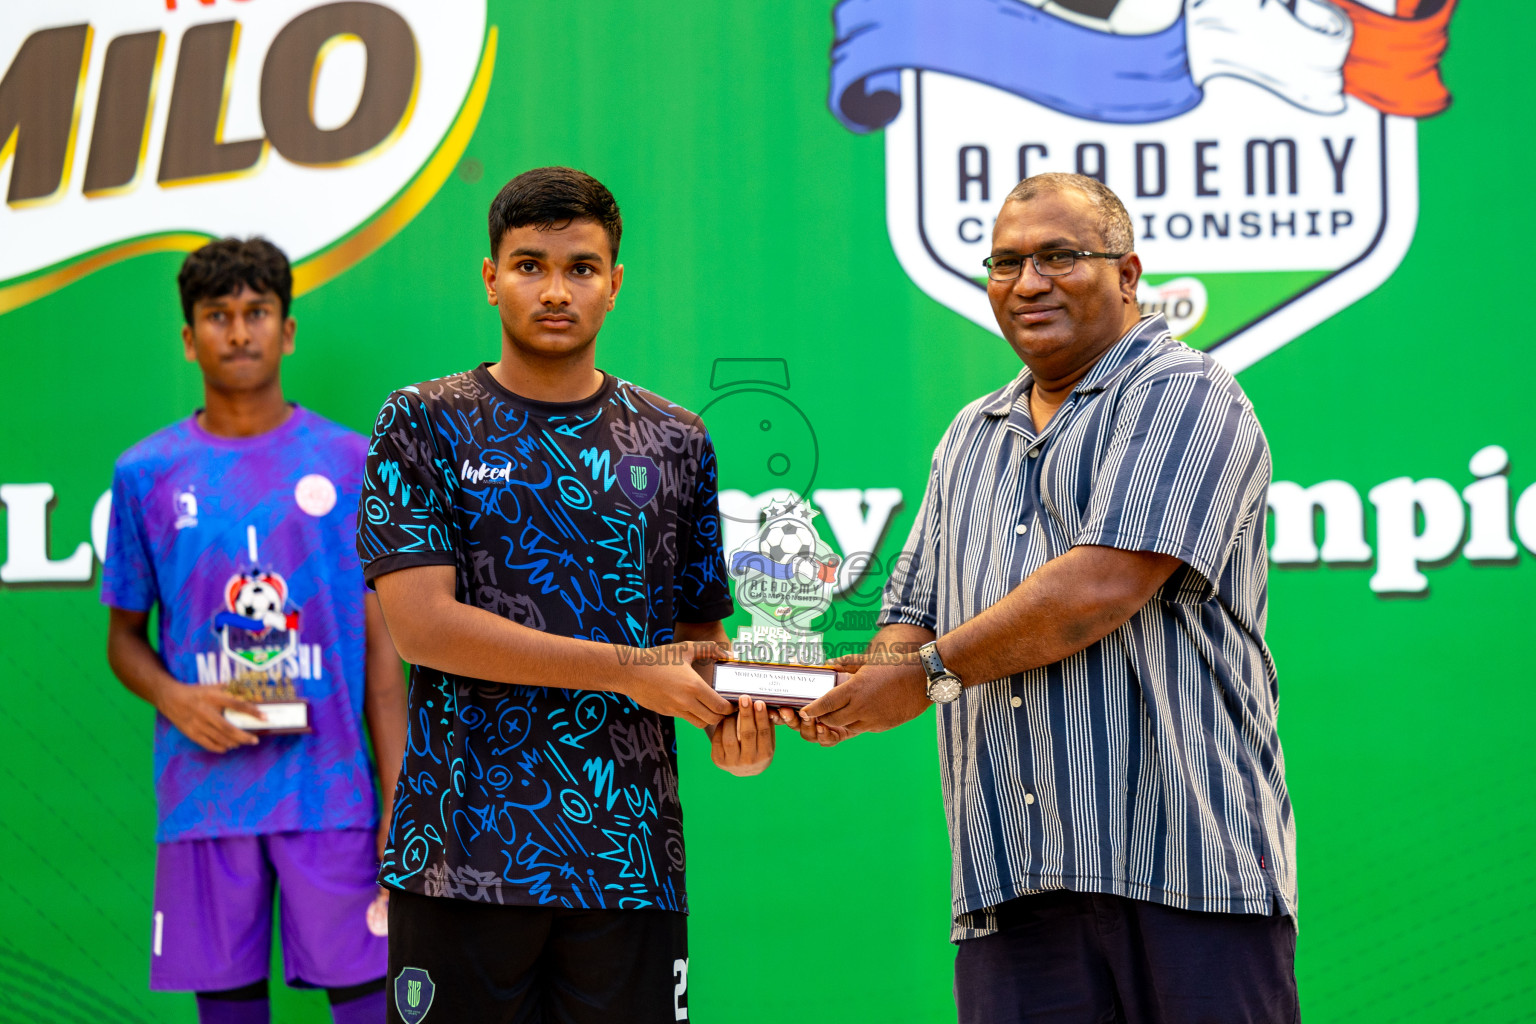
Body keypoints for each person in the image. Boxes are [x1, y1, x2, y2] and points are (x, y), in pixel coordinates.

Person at [801, 173, 1299, 1023]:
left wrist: (919, 675)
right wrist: (843, 692)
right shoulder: (970, 434)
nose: (1027, 282)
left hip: (1188, 873)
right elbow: (912, 615)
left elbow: (1097, 589)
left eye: (1059, 256)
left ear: (1129, 273)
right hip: (1011, 886)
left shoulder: (1188, 393)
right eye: (1005, 263)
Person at [358, 165, 782, 1024]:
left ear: (615, 284)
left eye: (581, 268)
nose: (556, 291)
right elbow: (423, 629)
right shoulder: (421, 420)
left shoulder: (676, 439)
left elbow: (700, 643)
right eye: (529, 265)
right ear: (490, 277)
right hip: (457, 855)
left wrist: (739, 729)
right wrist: (628, 669)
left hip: (630, 857)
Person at [102, 237, 408, 1024]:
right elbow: (124, 638)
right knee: (229, 1010)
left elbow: (381, 658)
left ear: (288, 329)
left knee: (369, 1004)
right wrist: (176, 697)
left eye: (256, 313)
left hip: (332, 794)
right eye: (218, 316)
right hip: (208, 796)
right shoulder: (148, 472)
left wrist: (397, 802)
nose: (238, 332)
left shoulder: (349, 462)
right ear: (188, 337)